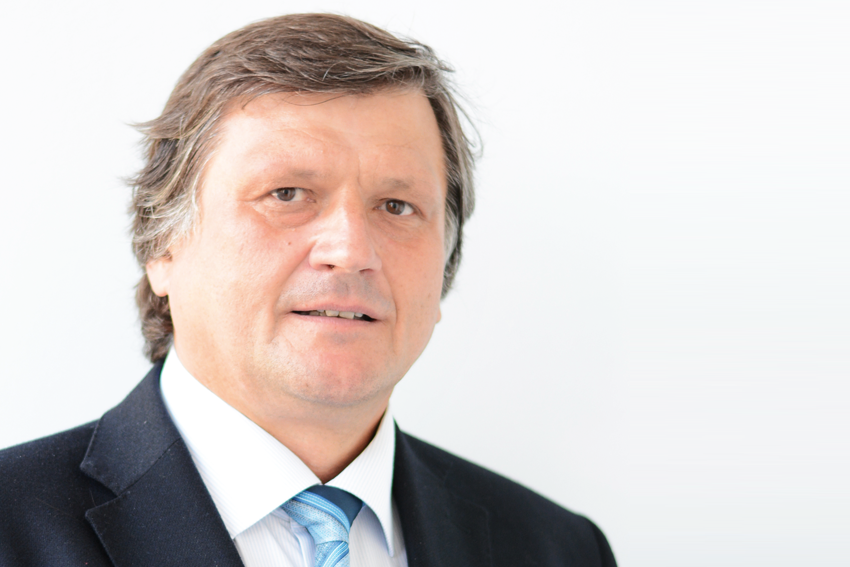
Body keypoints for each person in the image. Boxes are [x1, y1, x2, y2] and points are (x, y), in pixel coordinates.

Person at [0, 13, 616, 567]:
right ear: (162, 246)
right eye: (287, 194)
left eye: (396, 206)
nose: (350, 249)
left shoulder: (557, 549)